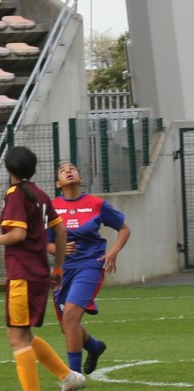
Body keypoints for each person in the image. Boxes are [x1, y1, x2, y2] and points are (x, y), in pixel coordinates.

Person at [0, 146, 87, 391]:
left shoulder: (16, 195)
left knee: (16, 337)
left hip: (23, 275)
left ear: (8, 169)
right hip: (39, 272)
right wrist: (59, 268)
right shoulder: (40, 194)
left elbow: (17, 235)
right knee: (24, 335)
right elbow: (61, 229)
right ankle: (68, 377)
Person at [48, 161, 131, 376]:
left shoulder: (96, 204)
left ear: (80, 178)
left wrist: (113, 252)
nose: (68, 171)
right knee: (66, 325)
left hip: (90, 266)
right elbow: (43, 243)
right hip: (62, 271)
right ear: (59, 183)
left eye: (72, 168)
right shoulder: (52, 208)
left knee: (71, 317)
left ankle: (72, 376)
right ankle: (94, 347)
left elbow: (124, 228)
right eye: (63, 170)